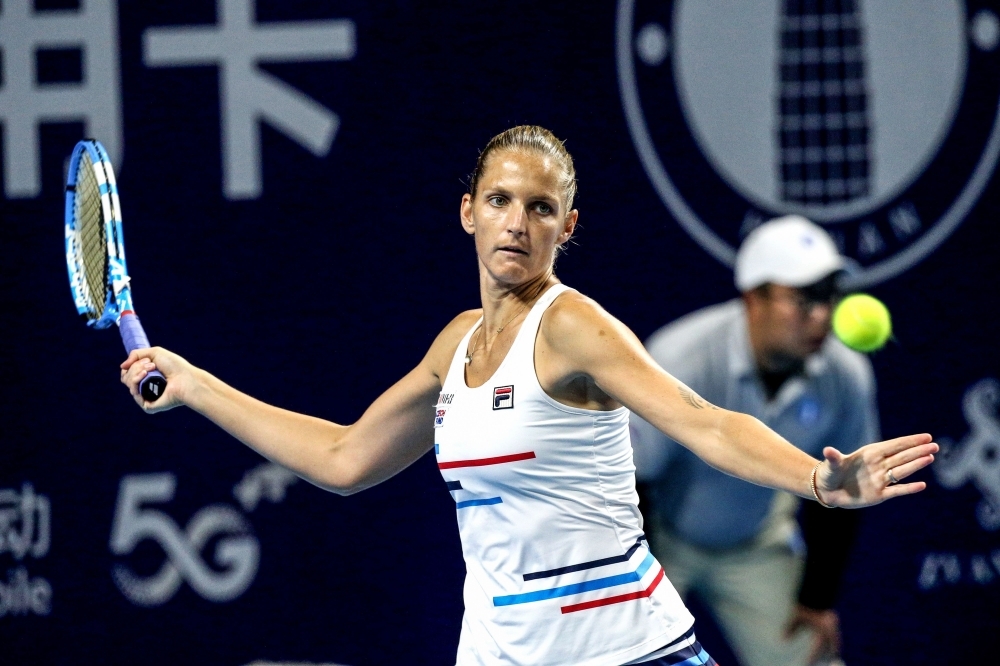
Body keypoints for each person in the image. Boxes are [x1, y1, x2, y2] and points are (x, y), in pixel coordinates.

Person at [120, 126, 936, 666]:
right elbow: (343, 457)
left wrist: (819, 481)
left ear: (567, 227)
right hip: (501, 650)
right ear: (468, 212)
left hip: (624, 650)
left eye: (541, 208)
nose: (518, 222)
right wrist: (194, 385)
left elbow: (700, 420)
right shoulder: (456, 344)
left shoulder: (572, 324)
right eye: (502, 201)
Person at [630, 215, 878, 666]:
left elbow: (841, 496)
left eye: (827, 297)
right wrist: (634, 591)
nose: (820, 315)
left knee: (815, 660)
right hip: (659, 543)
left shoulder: (846, 375)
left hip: (757, 543)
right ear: (753, 299)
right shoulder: (679, 358)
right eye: (802, 300)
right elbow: (630, 483)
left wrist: (817, 599)